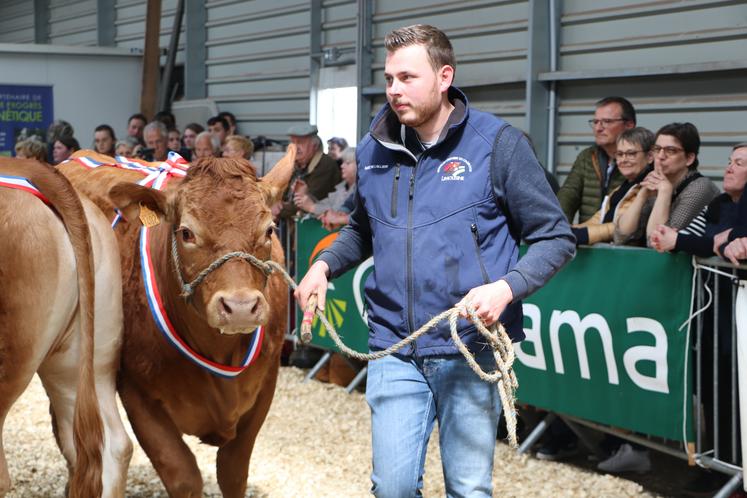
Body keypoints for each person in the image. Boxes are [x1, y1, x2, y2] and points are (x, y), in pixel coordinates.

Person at [295, 24, 575, 497]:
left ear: (444, 77)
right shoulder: (374, 150)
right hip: (393, 345)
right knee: (393, 487)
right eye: (389, 79)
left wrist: (506, 287)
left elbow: (555, 237)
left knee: (468, 489)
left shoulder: (497, 145)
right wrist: (324, 265)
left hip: (469, 345)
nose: (394, 90)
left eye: (408, 77)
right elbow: (364, 228)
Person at [615, 122, 720, 247]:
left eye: (670, 150)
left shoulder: (701, 187)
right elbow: (621, 237)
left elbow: (656, 242)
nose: (660, 156)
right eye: (657, 149)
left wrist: (664, 193)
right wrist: (642, 195)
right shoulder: (655, 183)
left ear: (689, 158)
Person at [651, 143, 747, 256]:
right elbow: (689, 236)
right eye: (729, 162)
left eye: (739, 164)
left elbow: (722, 246)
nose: (729, 169)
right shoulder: (718, 203)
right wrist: (668, 238)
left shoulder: (701, 186)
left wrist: (678, 241)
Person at [557, 96, 636, 223]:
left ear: (629, 125)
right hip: (584, 238)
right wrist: (559, 229)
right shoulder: (587, 156)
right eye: (595, 122)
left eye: (607, 121)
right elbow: (568, 196)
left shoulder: (641, 161)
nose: (598, 128)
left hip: (621, 239)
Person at [571, 127, 654, 246]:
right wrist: (569, 231)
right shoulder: (622, 187)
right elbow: (597, 219)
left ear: (650, 156)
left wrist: (582, 234)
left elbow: (621, 228)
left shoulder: (651, 188)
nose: (623, 160)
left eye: (631, 154)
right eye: (620, 154)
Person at [273, 124, 341, 221]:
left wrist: (277, 209)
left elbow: (306, 203)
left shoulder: (325, 165)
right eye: (293, 142)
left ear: (314, 145)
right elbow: (281, 193)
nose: (295, 147)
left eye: (300, 142)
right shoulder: (296, 165)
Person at [294, 146, 356, 218]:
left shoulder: (361, 191)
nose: (342, 166)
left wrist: (312, 207)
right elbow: (326, 204)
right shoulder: (342, 188)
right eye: (343, 162)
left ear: (360, 167)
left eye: (347, 163)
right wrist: (306, 195)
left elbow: (341, 215)